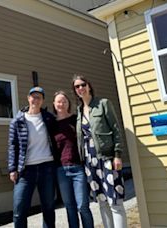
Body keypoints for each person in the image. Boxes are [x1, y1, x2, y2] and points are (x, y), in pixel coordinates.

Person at [72, 74, 127, 228]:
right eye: (77, 86)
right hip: (90, 162)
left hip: (107, 158)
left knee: (115, 201)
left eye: (83, 84)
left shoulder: (103, 104)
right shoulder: (79, 111)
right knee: (102, 202)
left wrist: (117, 155)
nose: (80, 88)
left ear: (89, 85)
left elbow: (116, 130)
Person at [8, 86, 56, 228]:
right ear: (28, 98)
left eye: (39, 97)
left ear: (42, 101)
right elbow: (12, 146)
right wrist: (12, 168)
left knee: (48, 207)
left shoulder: (48, 118)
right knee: (19, 208)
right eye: (33, 96)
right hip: (25, 170)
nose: (35, 99)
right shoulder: (17, 121)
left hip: (47, 168)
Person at [52, 90, 94, 228]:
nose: (61, 104)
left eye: (64, 101)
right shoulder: (51, 124)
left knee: (83, 205)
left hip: (78, 168)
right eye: (58, 101)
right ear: (54, 104)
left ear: (68, 103)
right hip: (61, 170)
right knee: (69, 207)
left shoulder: (76, 119)